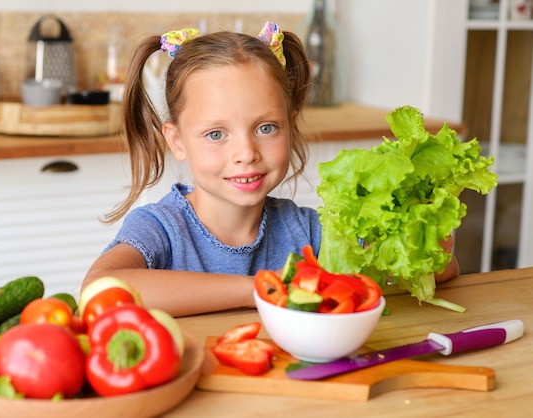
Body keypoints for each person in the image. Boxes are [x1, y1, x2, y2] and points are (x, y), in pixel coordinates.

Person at [82, 22, 458, 317]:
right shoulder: (159, 228)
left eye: (266, 128)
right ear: (177, 141)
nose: (246, 153)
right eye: (216, 134)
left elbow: (441, 270)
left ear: (291, 127)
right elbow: (99, 288)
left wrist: (423, 222)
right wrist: (261, 289)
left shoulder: (309, 231)